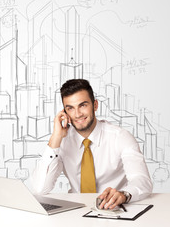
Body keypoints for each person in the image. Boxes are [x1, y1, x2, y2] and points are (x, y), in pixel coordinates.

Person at [31, 79, 152, 210]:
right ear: (64, 113)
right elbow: (40, 189)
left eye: (83, 105)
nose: (77, 114)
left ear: (95, 105)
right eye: (70, 108)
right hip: (76, 212)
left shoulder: (120, 137)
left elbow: (142, 180)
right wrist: (55, 138)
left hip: (113, 210)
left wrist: (124, 195)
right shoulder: (62, 141)